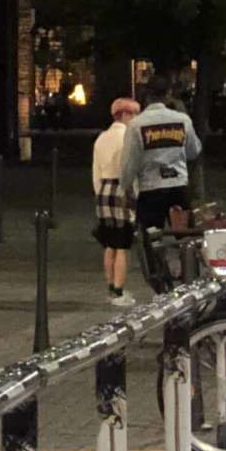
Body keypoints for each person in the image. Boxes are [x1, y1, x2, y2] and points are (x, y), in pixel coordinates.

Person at [121, 87, 205, 233]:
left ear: (147, 98)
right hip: (178, 186)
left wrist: (126, 187)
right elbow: (194, 151)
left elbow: (130, 161)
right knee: (185, 236)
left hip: (150, 188)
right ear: (168, 95)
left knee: (151, 237)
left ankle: (156, 247)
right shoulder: (182, 120)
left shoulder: (136, 124)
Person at [90, 96, 141, 305]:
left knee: (109, 243)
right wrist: (136, 194)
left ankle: (110, 287)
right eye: (135, 114)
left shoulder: (101, 138)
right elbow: (131, 168)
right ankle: (119, 291)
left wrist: (99, 191)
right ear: (125, 114)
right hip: (122, 189)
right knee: (122, 244)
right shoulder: (128, 137)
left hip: (104, 189)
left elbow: (95, 170)